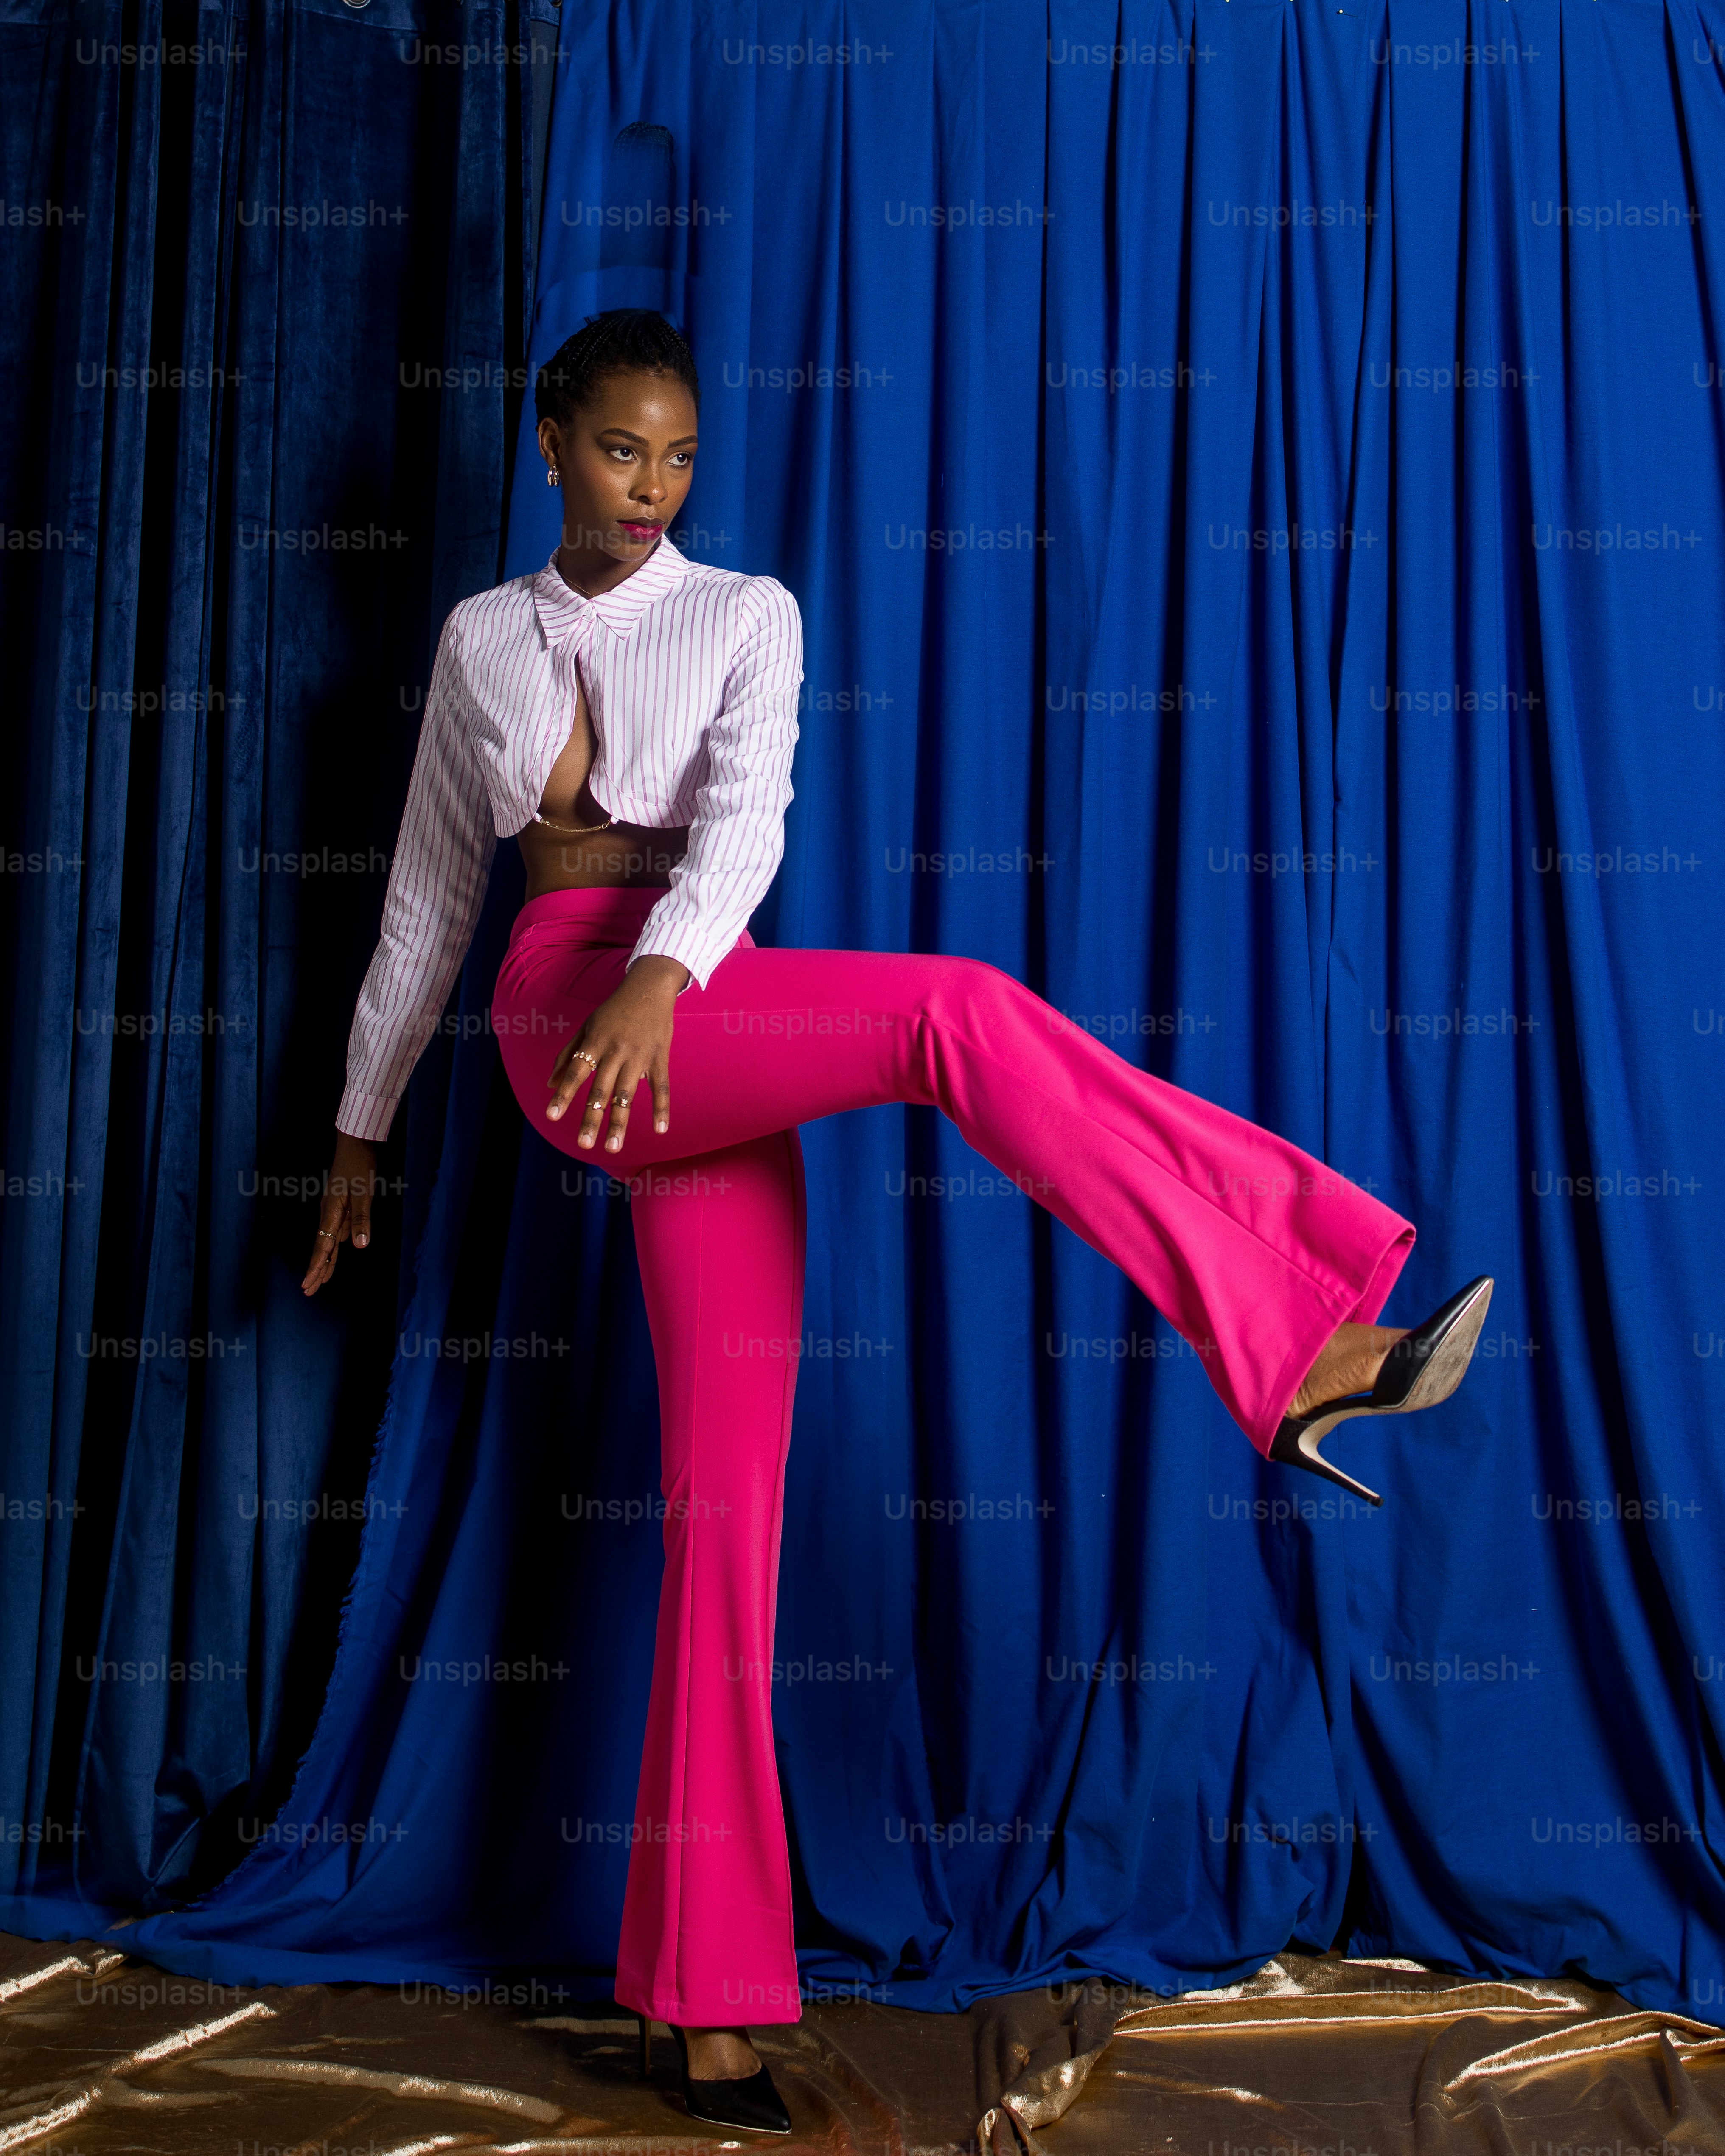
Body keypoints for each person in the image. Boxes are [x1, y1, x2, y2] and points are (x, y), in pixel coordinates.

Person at [302, 308, 1492, 2137]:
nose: (651, 484)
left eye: (679, 454)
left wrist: (670, 974)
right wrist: (359, 1128)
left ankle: (701, 2001)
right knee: (955, 1012)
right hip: (565, 1017)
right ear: (550, 443)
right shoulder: (479, 639)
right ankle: (1295, 1333)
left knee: (724, 1521)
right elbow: (425, 898)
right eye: (619, 448)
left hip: (694, 1006)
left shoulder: (745, 611)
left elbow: (747, 822)